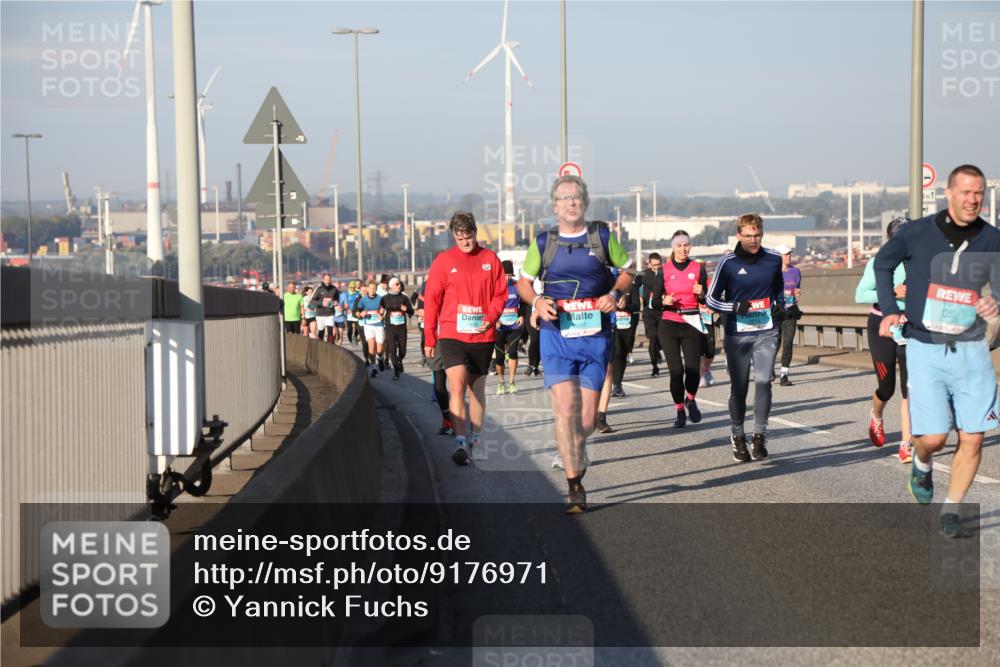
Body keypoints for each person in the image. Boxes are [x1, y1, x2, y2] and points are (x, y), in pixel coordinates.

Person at [874, 164, 1000, 537]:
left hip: (971, 348)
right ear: (949, 193)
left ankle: (951, 511)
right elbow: (882, 264)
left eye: (978, 193)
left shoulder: (992, 239)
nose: (973, 199)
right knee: (933, 438)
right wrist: (890, 309)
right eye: (965, 192)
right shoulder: (916, 233)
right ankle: (923, 461)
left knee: (973, 437)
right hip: (925, 346)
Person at [517, 175, 635, 514]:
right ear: (555, 206)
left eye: (576, 197)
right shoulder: (545, 242)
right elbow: (523, 283)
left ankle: (578, 447)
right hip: (556, 336)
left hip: (594, 339)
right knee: (565, 411)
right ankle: (574, 485)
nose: (571, 202)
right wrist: (537, 302)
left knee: (584, 421)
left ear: (584, 203)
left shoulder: (601, 237)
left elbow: (628, 271)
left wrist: (614, 293)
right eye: (564, 198)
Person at [423, 211, 507, 466]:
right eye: (459, 238)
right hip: (452, 335)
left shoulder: (490, 259)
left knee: (476, 389)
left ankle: (477, 439)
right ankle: (460, 442)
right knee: (457, 385)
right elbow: (432, 300)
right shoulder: (443, 261)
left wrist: (490, 317)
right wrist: (429, 337)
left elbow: (500, 294)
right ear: (453, 236)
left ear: (475, 233)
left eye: (467, 237)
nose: (464, 242)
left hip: (482, 336)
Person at [707, 213, 784, 463]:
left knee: (763, 381)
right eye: (748, 236)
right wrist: (733, 307)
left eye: (757, 235)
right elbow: (710, 299)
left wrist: (781, 307)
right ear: (739, 235)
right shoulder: (728, 263)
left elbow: (779, 290)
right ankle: (738, 435)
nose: (753, 240)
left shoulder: (773, 259)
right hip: (737, 334)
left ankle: (759, 435)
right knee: (739, 388)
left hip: (766, 331)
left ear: (762, 234)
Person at [855, 217, 912, 462]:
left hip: (911, 326)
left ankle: (906, 444)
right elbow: (860, 295)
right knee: (887, 387)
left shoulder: (922, 262)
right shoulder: (879, 261)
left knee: (910, 388)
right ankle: (876, 416)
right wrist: (892, 293)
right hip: (882, 324)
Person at [654, 231, 709, 428]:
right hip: (669, 324)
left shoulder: (698, 268)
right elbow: (654, 302)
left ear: (690, 246)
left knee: (693, 369)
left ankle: (690, 399)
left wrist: (702, 293)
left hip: (692, 322)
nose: (683, 249)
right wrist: (664, 301)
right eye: (679, 245)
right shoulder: (664, 270)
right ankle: (679, 410)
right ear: (673, 247)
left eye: (686, 245)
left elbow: (707, 298)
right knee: (676, 371)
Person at [494, 260, 528, 395]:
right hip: (499, 327)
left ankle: (512, 382)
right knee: (499, 357)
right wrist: (494, 319)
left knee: (513, 352)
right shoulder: (493, 286)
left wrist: (522, 316)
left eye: (509, 275)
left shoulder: (517, 286)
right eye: (505, 275)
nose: (507, 278)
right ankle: (501, 382)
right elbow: (487, 304)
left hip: (514, 326)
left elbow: (524, 303)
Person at [775, 245, 803, 385]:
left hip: (790, 313)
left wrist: (797, 294)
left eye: (789, 254)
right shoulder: (771, 273)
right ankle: (768, 369)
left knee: (788, 343)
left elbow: (797, 289)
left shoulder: (795, 272)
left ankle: (784, 375)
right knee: (774, 344)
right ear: (779, 256)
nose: (789, 256)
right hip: (774, 313)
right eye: (786, 254)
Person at [610, 276, 641, 398]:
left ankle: (617, 385)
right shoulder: (605, 286)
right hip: (609, 325)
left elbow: (636, 306)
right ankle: (611, 383)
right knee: (615, 353)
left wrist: (625, 306)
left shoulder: (632, 287)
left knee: (620, 354)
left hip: (625, 326)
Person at [381, 277, 413, 381]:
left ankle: (399, 361)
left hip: (401, 327)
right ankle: (396, 372)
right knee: (392, 350)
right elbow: (380, 310)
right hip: (390, 327)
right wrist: (380, 312)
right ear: (391, 286)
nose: (399, 286)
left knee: (403, 350)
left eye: (399, 284)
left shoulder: (404, 298)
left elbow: (411, 311)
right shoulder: (385, 298)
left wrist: (406, 309)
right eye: (397, 284)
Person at [354, 280, 386, 377]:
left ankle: (380, 358)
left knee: (379, 350)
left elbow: (384, 310)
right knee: (371, 347)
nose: (373, 290)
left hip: (379, 325)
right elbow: (357, 311)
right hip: (368, 326)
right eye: (371, 288)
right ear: (368, 289)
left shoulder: (380, 298)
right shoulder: (363, 300)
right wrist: (360, 314)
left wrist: (383, 314)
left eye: (374, 288)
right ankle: (374, 368)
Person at [639, 252, 665, 377]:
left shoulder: (665, 273)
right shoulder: (643, 274)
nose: (656, 267)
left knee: (661, 337)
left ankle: (658, 349)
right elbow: (633, 286)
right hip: (649, 311)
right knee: (652, 338)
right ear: (649, 264)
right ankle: (655, 367)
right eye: (654, 265)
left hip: (662, 310)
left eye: (658, 264)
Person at [523, 276, 544, 377]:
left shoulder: (548, 282)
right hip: (531, 315)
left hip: (543, 316)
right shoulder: (530, 282)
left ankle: (535, 366)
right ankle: (530, 364)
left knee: (540, 342)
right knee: (534, 340)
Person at [312, 273, 340, 343]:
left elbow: (337, 299)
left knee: (330, 332)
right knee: (321, 331)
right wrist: (322, 303)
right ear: (323, 280)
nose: (328, 281)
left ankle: (329, 346)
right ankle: (320, 346)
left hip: (330, 313)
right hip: (320, 314)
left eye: (329, 279)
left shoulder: (334, 289)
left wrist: (336, 302)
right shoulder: (318, 289)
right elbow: (312, 302)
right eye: (326, 279)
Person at [412, 282, 428, 366]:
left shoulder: (436, 288)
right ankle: (424, 358)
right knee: (424, 338)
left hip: (433, 316)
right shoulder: (420, 288)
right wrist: (417, 309)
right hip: (422, 318)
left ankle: (432, 357)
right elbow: (412, 298)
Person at [342, 280, 361, 345]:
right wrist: (346, 308)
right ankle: (350, 340)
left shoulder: (358, 293)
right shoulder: (346, 294)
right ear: (349, 287)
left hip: (356, 313)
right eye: (351, 287)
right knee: (350, 329)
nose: (352, 288)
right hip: (349, 314)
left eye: (353, 287)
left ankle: (355, 336)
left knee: (357, 328)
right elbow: (345, 304)